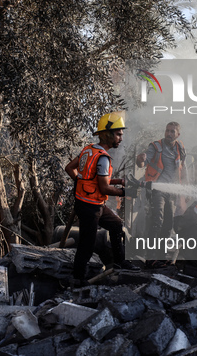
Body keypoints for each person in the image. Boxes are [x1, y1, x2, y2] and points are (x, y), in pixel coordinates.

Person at [65, 111, 138, 285]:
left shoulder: (89, 150)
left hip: (89, 202)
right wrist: (124, 192)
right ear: (108, 134)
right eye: (118, 134)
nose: (121, 138)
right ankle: (78, 279)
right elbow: (104, 187)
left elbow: (70, 169)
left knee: (116, 224)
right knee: (87, 245)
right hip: (91, 206)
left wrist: (83, 183)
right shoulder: (103, 158)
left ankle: (120, 262)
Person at [136, 121, 186, 267]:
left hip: (171, 191)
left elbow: (182, 169)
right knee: (157, 220)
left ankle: (161, 256)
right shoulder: (155, 146)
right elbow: (142, 162)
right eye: (167, 131)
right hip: (157, 189)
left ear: (178, 134)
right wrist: (140, 160)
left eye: (172, 131)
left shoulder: (180, 147)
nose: (169, 134)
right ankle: (151, 258)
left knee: (168, 225)